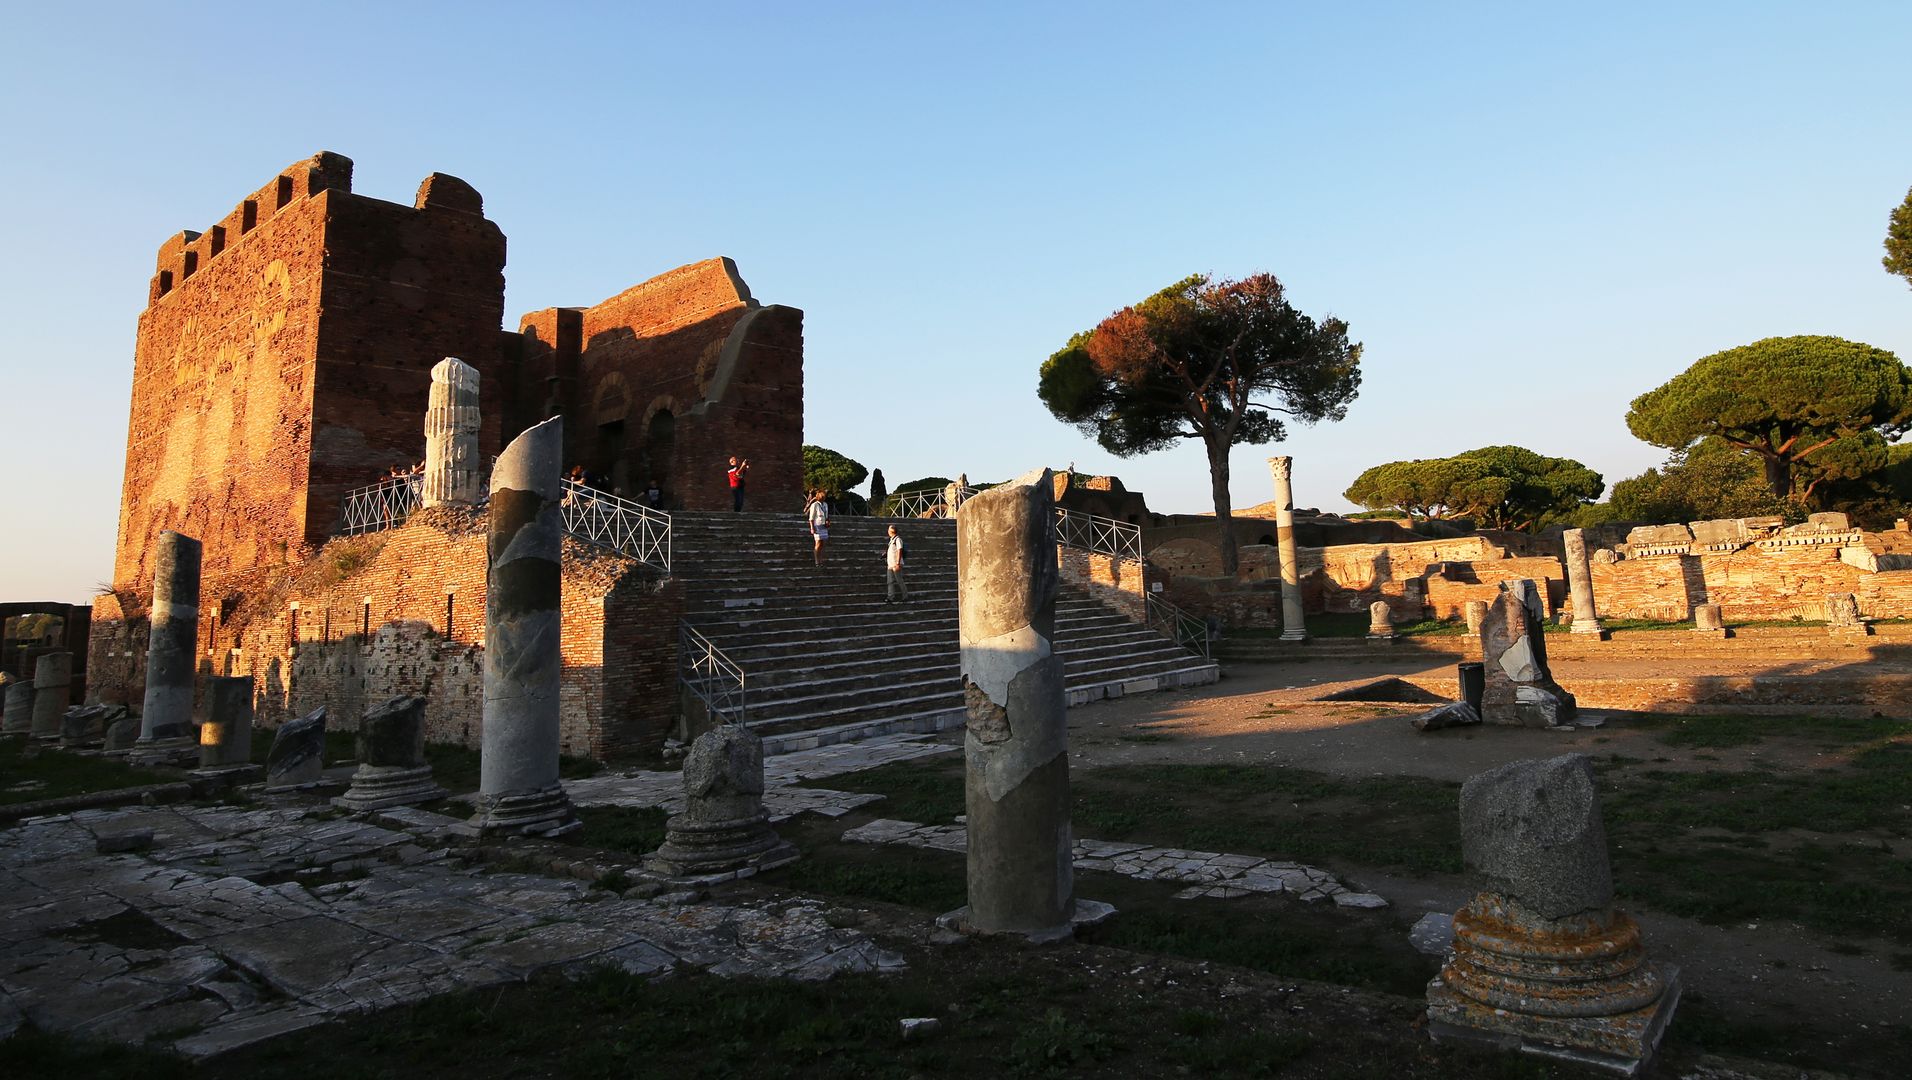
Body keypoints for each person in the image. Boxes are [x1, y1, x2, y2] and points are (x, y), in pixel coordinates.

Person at [807, 488, 831, 567]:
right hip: (817, 526)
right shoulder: (815, 505)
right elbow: (811, 518)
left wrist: (828, 521)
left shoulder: (825, 504)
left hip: (824, 526)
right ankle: (817, 561)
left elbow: (826, 515)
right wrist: (812, 528)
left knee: (823, 544)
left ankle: (821, 560)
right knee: (818, 543)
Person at [885, 524, 909, 603]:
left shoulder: (898, 539)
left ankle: (905, 596)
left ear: (891, 531)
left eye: (889, 530)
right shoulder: (891, 540)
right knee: (890, 581)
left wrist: (898, 563)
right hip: (890, 564)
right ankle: (890, 597)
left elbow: (899, 550)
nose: (887, 531)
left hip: (896, 564)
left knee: (899, 580)